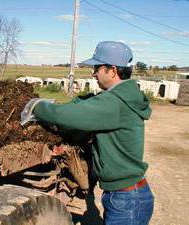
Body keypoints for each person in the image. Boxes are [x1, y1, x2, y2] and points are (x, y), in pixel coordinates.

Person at [22, 41, 154, 225]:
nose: (93, 73)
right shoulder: (122, 97)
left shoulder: (113, 104)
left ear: (112, 70)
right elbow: (89, 103)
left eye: (97, 68)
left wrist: (35, 106)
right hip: (127, 195)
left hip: (127, 200)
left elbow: (67, 115)